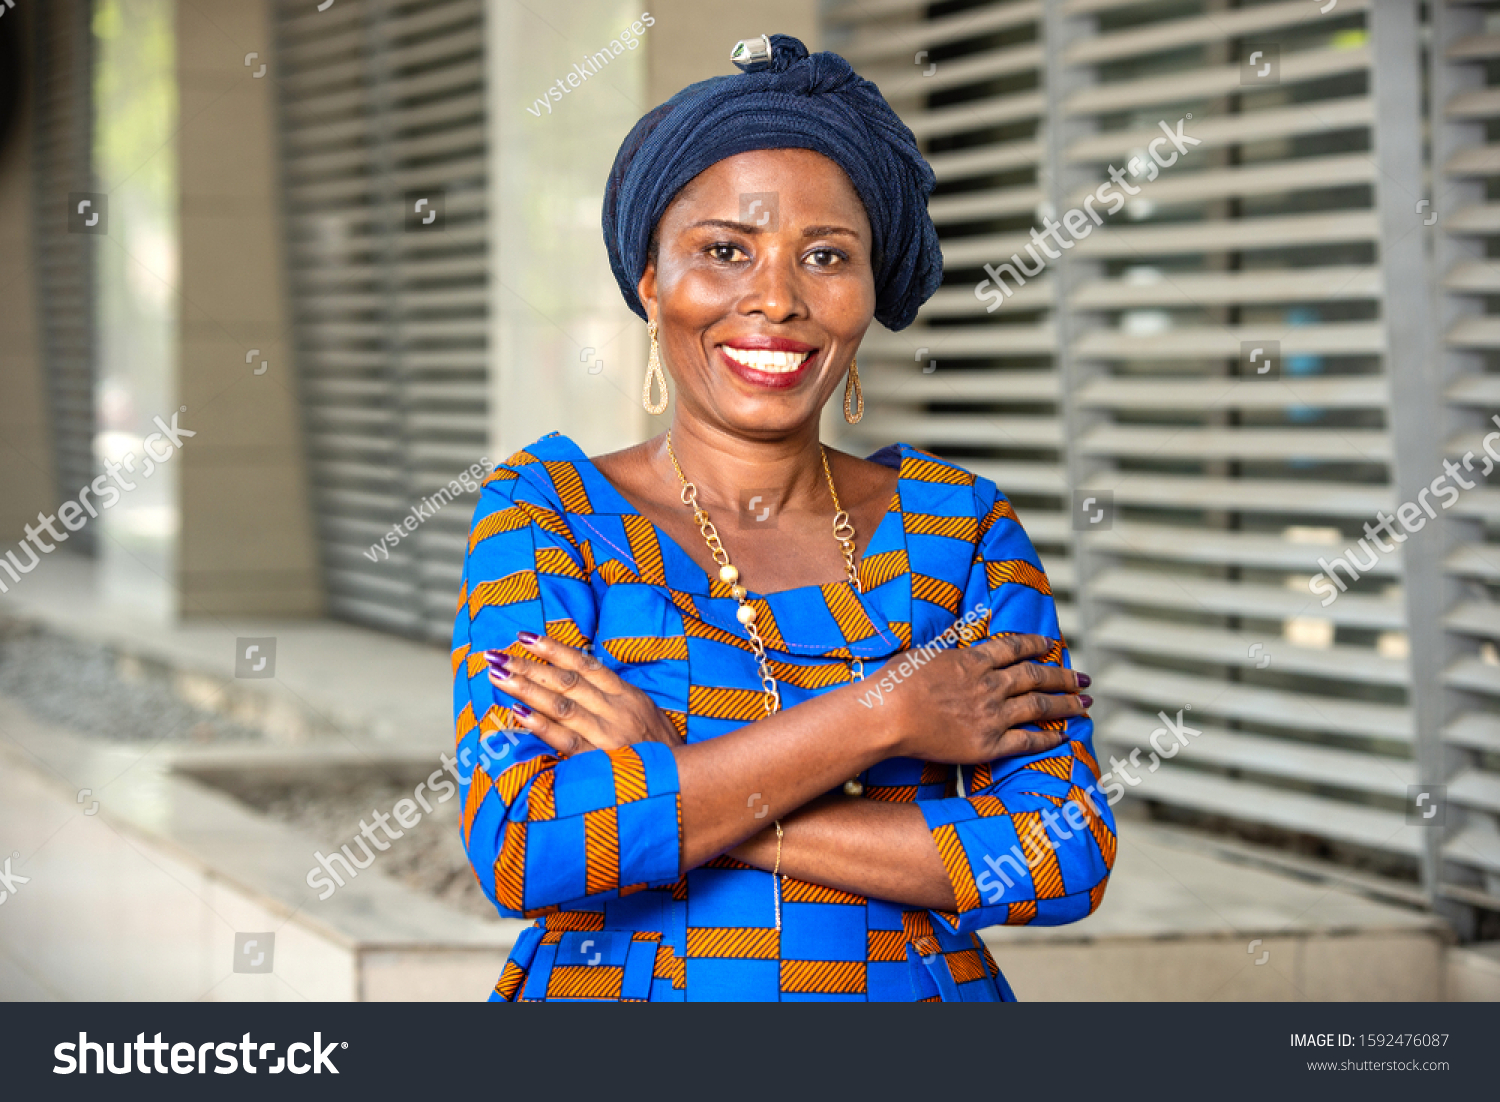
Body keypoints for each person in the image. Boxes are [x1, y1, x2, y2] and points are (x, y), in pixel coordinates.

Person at [453, 33, 1114, 1002]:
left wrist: (674, 780)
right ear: (650, 283)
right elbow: (528, 844)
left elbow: (1063, 852)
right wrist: (885, 714)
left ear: (869, 289)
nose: (776, 299)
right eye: (725, 250)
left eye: (826, 256)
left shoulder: (961, 529)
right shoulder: (549, 517)